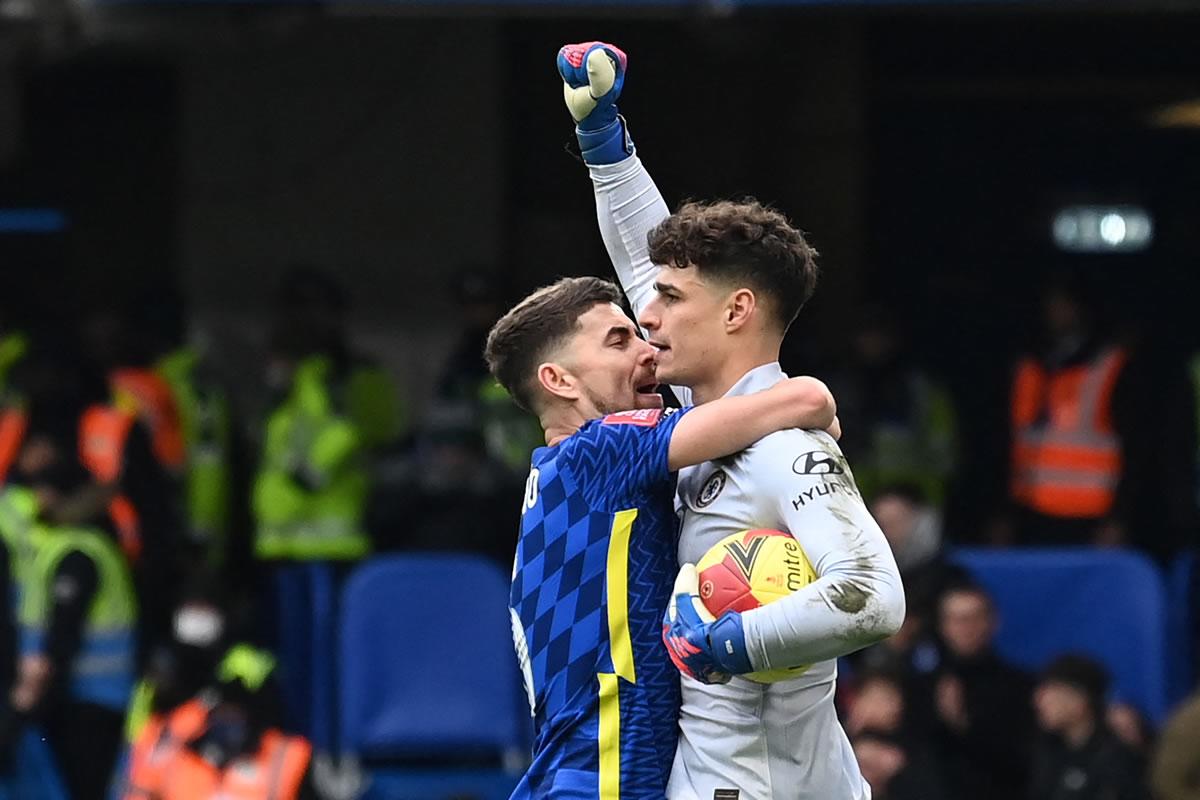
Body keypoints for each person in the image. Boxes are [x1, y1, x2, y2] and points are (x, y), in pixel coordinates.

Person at [560, 41, 905, 799]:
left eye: (672, 301)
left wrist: (727, 642)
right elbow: (642, 263)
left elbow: (875, 594)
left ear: (738, 310)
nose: (646, 314)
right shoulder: (704, 420)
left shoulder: (786, 444)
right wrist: (605, 149)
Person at [487, 275, 839, 799]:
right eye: (618, 341)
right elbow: (809, 399)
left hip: (573, 776)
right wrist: (807, 425)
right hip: (602, 785)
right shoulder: (601, 450)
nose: (648, 351)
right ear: (559, 381)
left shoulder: (562, 478)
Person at [926, 581, 1033, 800]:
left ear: (992, 622)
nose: (965, 628)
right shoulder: (921, 684)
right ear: (942, 626)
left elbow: (1023, 762)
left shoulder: (1020, 687)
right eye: (956, 619)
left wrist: (963, 725)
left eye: (973, 618)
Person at [1031, 654, 1148, 800]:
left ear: (1081, 699)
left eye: (1052, 690)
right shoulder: (1047, 754)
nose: (1039, 700)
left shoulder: (1117, 758)